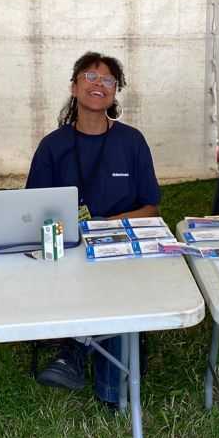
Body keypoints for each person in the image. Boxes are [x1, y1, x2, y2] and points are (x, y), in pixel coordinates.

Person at [26, 52, 161, 409]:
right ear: (73, 87)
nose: (98, 84)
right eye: (89, 76)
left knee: (114, 281)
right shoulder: (52, 146)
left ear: (115, 94)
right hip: (67, 244)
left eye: (107, 80)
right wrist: (74, 232)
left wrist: (105, 226)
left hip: (120, 245)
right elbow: (34, 210)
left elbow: (150, 207)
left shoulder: (131, 141)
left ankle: (79, 353)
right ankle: (88, 348)